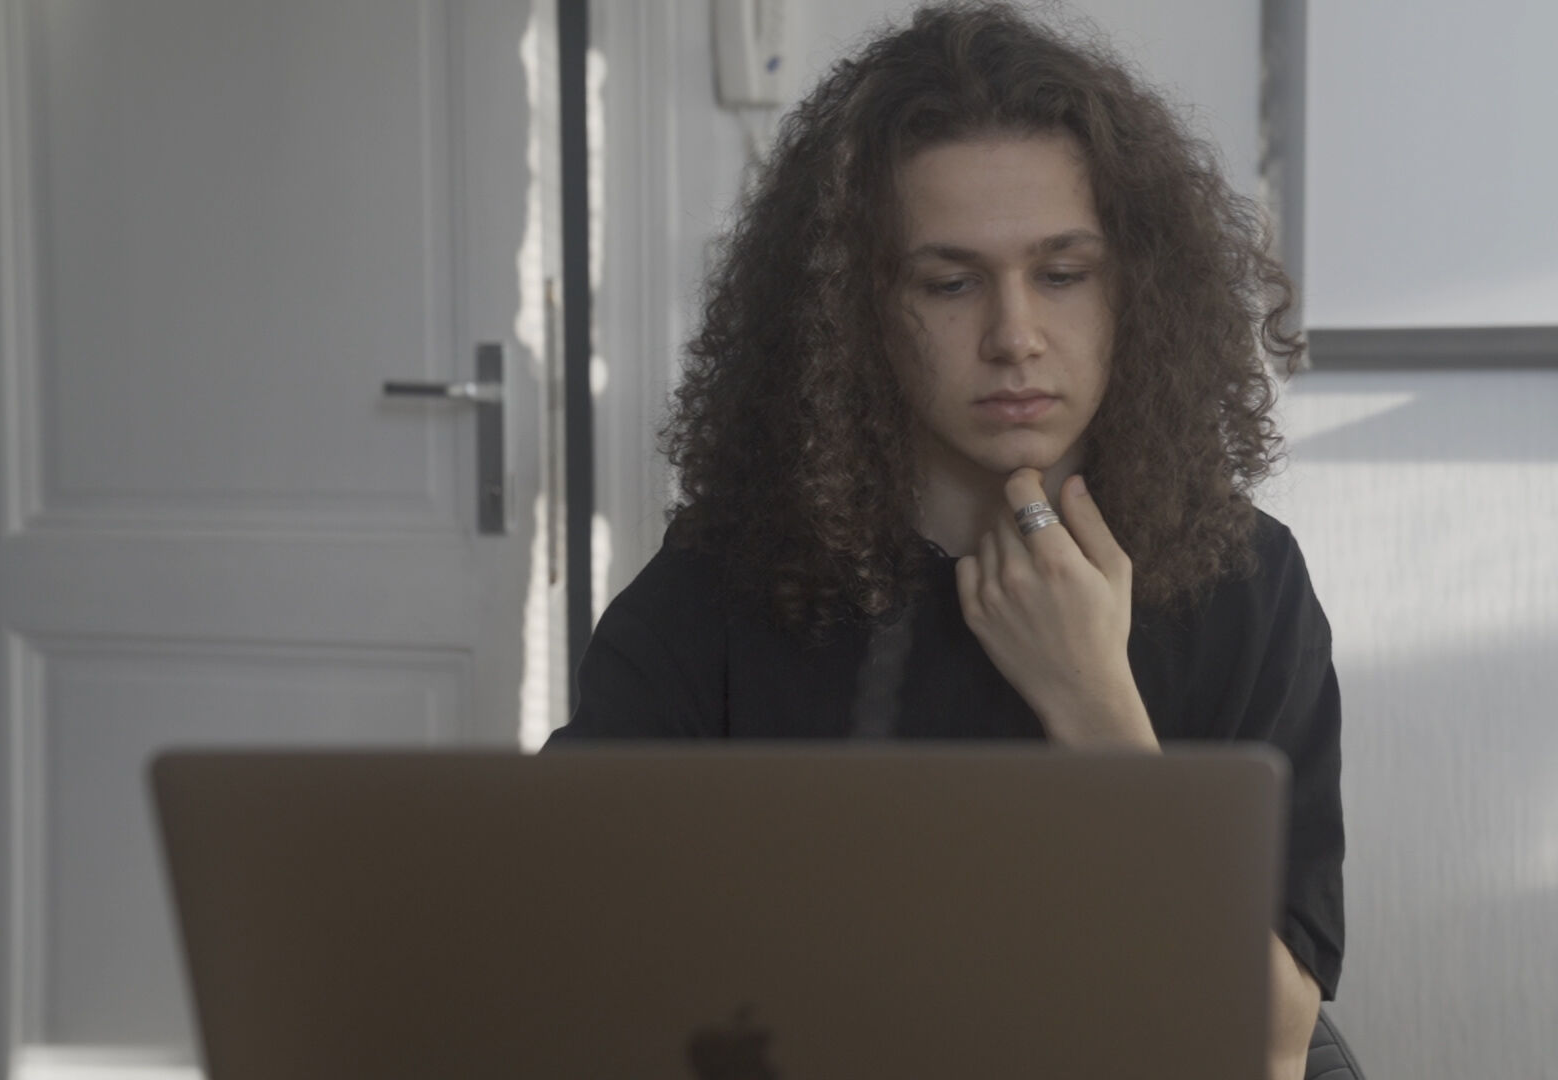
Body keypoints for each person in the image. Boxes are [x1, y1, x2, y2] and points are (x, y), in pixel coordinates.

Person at [547, 4, 1343, 1076]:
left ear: (1135, 289)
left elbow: (1272, 1041)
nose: (1015, 336)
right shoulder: (720, 586)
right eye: (950, 283)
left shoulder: (1246, 580)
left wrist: (1095, 706)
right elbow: (561, 932)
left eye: (1063, 274)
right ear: (857, 312)